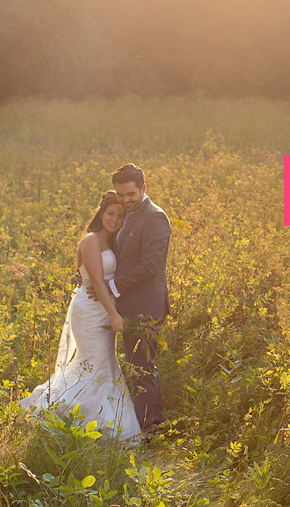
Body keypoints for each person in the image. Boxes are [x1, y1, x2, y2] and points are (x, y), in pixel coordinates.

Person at [19, 191, 142, 445]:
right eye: (110, 213)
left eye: (120, 215)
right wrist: (114, 315)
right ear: (100, 213)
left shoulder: (113, 241)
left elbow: (103, 276)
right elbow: (96, 280)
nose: (115, 219)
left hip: (105, 308)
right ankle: (68, 418)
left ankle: (101, 425)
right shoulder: (91, 240)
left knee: (105, 365)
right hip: (90, 312)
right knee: (93, 364)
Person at [86, 163, 171, 436]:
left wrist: (110, 285)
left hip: (145, 308)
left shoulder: (155, 217)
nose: (124, 200)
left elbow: (150, 267)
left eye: (130, 195)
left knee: (143, 368)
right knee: (136, 367)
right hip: (128, 305)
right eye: (120, 195)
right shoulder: (129, 215)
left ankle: (151, 429)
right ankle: (143, 424)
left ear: (143, 188)